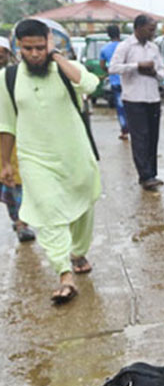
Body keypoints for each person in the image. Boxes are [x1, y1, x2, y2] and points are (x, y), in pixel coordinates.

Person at [0, 19, 101, 303]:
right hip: (35, 159)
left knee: (82, 210)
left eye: (40, 47)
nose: (34, 54)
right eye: (27, 49)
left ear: (49, 42)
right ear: (18, 47)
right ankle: (64, 274)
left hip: (75, 155)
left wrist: (56, 56)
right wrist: (5, 163)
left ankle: (78, 251)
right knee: (47, 212)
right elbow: (6, 125)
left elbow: (90, 85)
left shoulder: (64, 70)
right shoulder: (8, 78)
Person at [109, 14, 164, 191]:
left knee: (152, 137)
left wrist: (154, 73)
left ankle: (152, 173)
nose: (153, 32)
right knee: (140, 137)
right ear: (138, 28)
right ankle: (145, 175)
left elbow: (162, 70)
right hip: (134, 99)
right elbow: (113, 68)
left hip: (153, 97)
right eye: (150, 29)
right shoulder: (126, 46)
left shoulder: (153, 47)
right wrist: (136, 66)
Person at [0, 37, 35, 243]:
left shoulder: (16, 76)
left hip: (14, 134)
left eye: (2, 51)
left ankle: (21, 222)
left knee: (16, 181)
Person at [99, 25, 128, 140]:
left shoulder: (105, 49)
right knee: (131, 105)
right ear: (119, 33)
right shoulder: (125, 46)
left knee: (120, 107)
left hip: (115, 82)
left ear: (108, 35)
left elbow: (102, 65)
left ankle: (124, 130)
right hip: (128, 79)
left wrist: (110, 71)